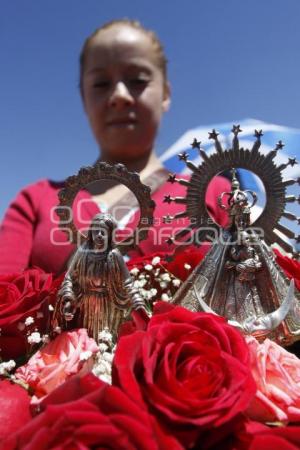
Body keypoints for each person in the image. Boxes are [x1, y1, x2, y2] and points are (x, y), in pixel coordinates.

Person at [0, 19, 230, 275]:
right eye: (101, 84)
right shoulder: (35, 201)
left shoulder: (216, 194)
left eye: (138, 80)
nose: (119, 95)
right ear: (84, 98)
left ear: (165, 94)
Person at [54, 213, 147, 340]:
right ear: (90, 232)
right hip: (86, 303)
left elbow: (127, 281)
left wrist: (137, 300)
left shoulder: (114, 255)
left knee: (107, 339)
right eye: (96, 231)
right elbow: (69, 277)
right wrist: (69, 298)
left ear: (110, 235)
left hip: (108, 304)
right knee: (86, 338)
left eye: (103, 232)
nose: (99, 235)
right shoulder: (83, 252)